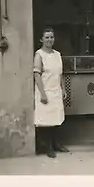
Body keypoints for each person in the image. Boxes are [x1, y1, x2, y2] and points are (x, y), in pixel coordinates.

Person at [33, 28, 70, 158]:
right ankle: (48, 147)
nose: (49, 40)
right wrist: (42, 94)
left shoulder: (57, 55)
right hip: (45, 91)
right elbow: (37, 75)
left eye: (51, 37)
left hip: (56, 91)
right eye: (47, 37)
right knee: (46, 121)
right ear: (41, 39)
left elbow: (60, 74)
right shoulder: (39, 55)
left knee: (56, 119)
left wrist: (63, 89)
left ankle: (56, 144)